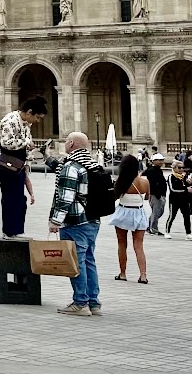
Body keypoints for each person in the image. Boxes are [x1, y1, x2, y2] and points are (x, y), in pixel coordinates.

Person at [49, 132, 104, 317]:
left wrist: (55, 221)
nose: (65, 144)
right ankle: (93, 303)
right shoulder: (94, 166)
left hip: (75, 222)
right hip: (93, 220)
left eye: (66, 141)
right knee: (89, 260)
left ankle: (80, 302)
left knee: (75, 262)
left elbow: (65, 197)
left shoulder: (71, 166)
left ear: (71, 143)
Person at [109, 154, 150, 284]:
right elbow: (147, 197)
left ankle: (123, 273)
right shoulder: (145, 181)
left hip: (123, 212)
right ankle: (143, 275)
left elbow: (114, 197)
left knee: (122, 244)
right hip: (138, 212)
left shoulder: (121, 180)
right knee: (139, 246)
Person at [0, 143, 38, 237]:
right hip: (12, 190)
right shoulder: (13, 167)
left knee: (16, 204)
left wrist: (31, 194)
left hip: (15, 193)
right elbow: (26, 180)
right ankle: (12, 231)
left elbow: (26, 180)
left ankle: (13, 231)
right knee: (13, 204)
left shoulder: (19, 168)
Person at [166, 161, 192, 239]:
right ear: (174, 168)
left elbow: (190, 187)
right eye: (179, 168)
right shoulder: (171, 177)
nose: (181, 169)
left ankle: (188, 233)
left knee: (187, 216)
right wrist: (186, 190)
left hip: (184, 199)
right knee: (172, 216)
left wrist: (190, 184)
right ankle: (167, 232)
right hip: (174, 200)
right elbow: (173, 189)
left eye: (182, 168)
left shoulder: (184, 176)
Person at [144, 154, 168, 236]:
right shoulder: (151, 170)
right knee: (156, 211)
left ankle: (150, 226)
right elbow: (152, 183)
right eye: (159, 160)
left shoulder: (158, 170)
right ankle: (153, 228)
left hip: (160, 193)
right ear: (154, 161)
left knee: (159, 211)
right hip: (155, 194)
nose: (161, 162)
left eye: (162, 160)